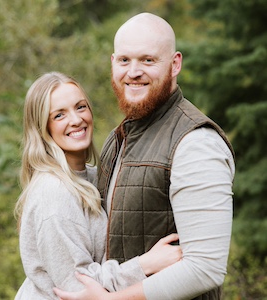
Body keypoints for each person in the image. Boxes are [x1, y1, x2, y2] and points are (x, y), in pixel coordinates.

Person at [53, 12, 235, 300]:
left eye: (148, 60)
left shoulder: (196, 143)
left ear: (175, 64)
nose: (133, 71)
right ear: (113, 63)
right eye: (125, 60)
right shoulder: (118, 138)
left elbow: (206, 268)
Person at [14, 71, 182, 299]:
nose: (76, 120)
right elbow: (76, 286)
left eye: (80, 107)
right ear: (42, 128)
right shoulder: (53, 192)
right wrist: (145, 265)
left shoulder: (94, 177)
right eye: (59, 115)